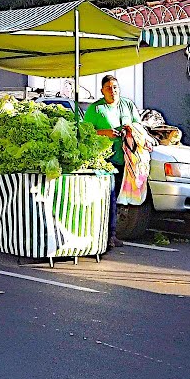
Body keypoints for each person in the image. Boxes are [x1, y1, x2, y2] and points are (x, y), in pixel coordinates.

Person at [83, 75, 141, 250]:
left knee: (115, 199)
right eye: (108, 87)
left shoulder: (127, 105)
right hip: (104, 161)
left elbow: (138, 125)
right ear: (102, 91)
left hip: (124, 159)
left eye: (115, 87)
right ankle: (105, 235)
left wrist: (130, 130)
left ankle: (111, 235)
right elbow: (86, 132)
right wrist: (104, 133)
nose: (112, 90)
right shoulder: (96, 109)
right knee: (107, 198)